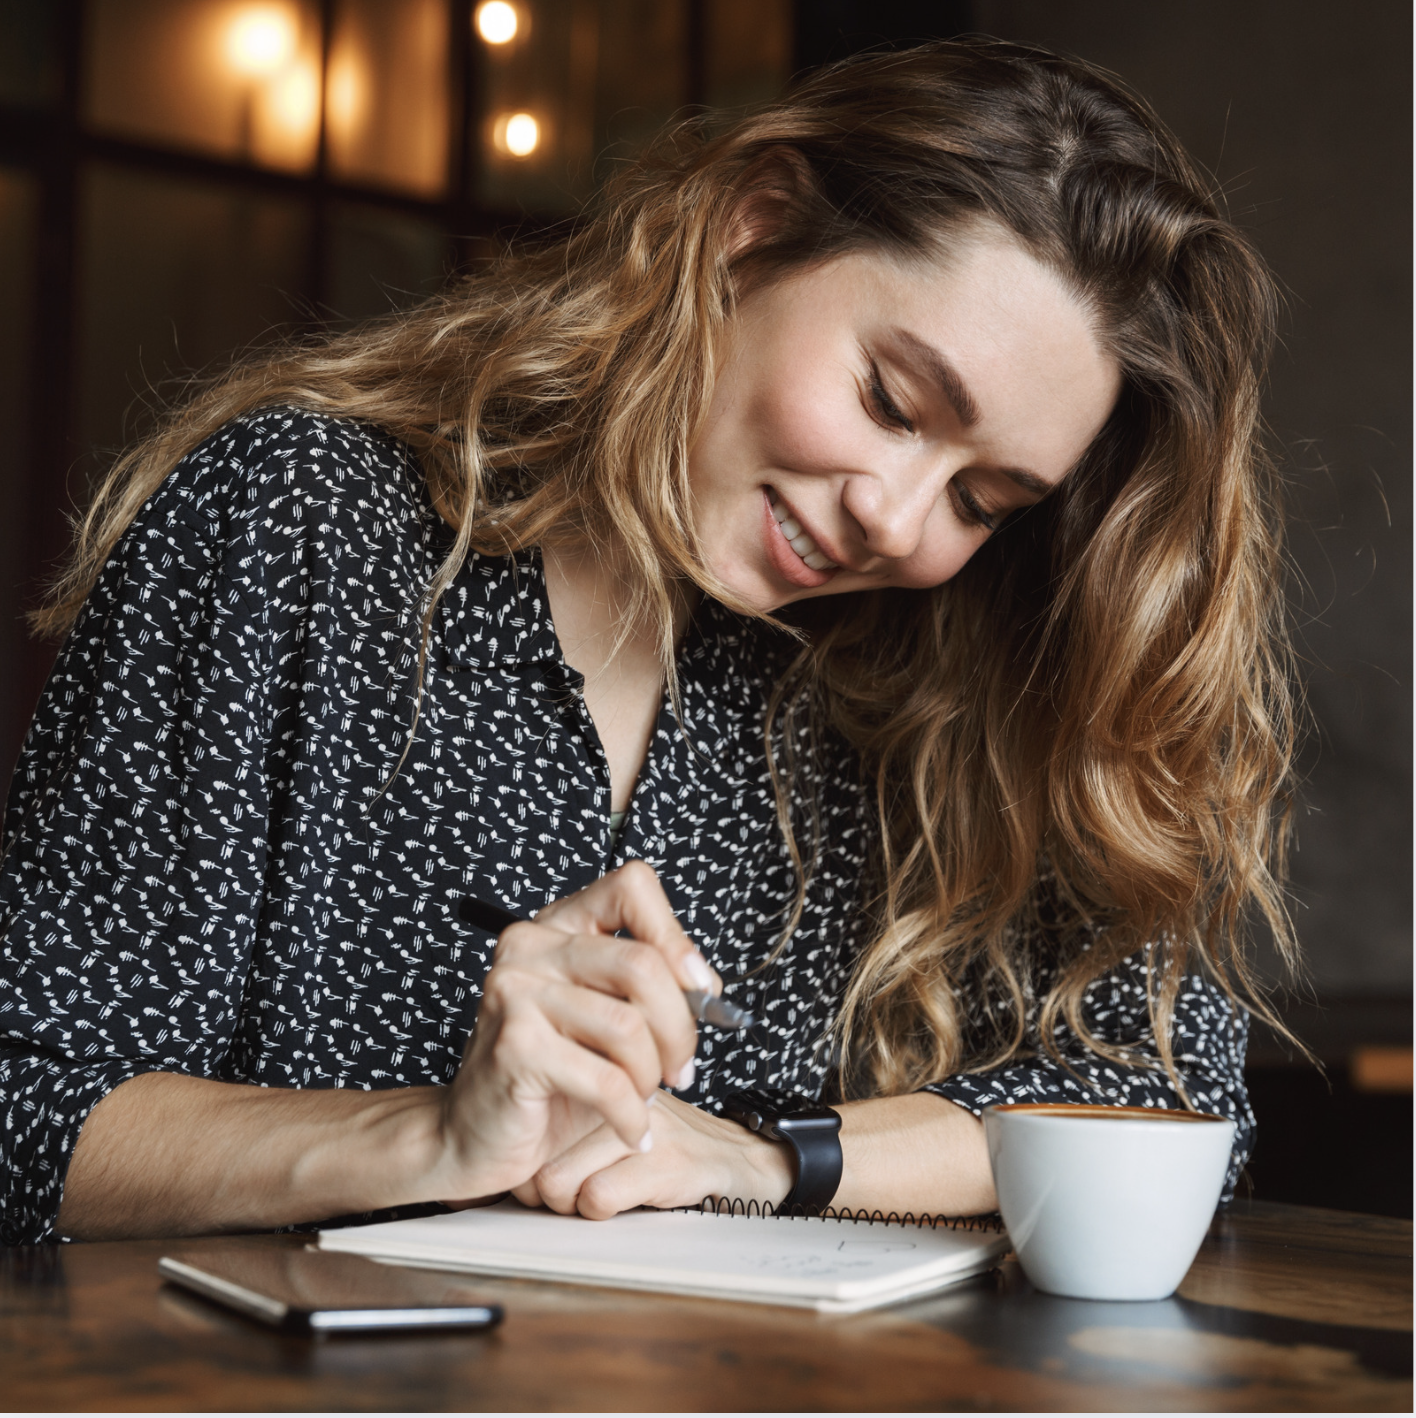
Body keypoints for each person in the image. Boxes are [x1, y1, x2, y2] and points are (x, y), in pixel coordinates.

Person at [0, 39, 1297, 1245]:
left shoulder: (897, 682)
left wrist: (761, 1154)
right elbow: (26, 1109)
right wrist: (432, 1134)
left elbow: (1169, 1098)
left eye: (981, 500)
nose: (896, 523)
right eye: (893, 402)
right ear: (755, 225)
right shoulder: (301, 520)